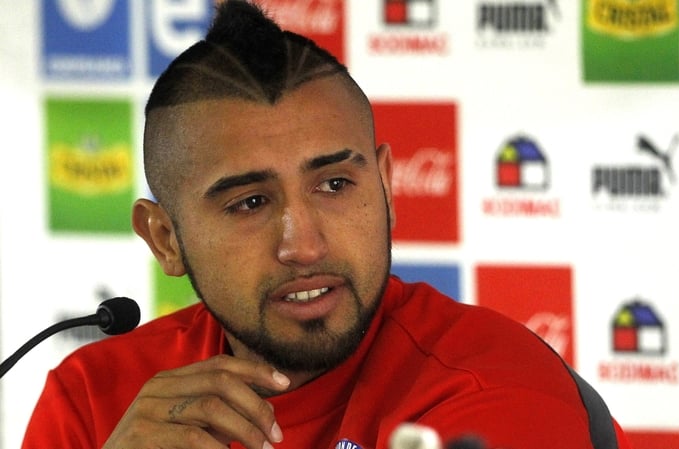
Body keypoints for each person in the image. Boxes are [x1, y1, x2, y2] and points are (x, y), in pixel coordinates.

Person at [22, 2, 631, 448]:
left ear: (385, 186)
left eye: (335, 185)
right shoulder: (95, 399)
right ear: (165, 238)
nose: (304, 244)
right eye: (250, 203)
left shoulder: (491, 387)